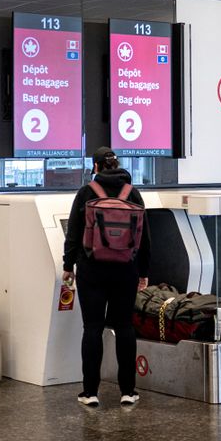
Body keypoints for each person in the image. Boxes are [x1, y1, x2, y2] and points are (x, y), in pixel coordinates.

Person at [63, 147, 150, 407]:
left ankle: (90, 393)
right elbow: (145, 239)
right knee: (124, 327)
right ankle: (128, 391)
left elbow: (74, 234)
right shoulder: (132, 193)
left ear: (97, 167)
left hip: (92, 270)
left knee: (92, 328)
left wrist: (69, 266)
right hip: (126, 270)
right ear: (117, 165)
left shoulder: (87, 192)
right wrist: (143, 272)